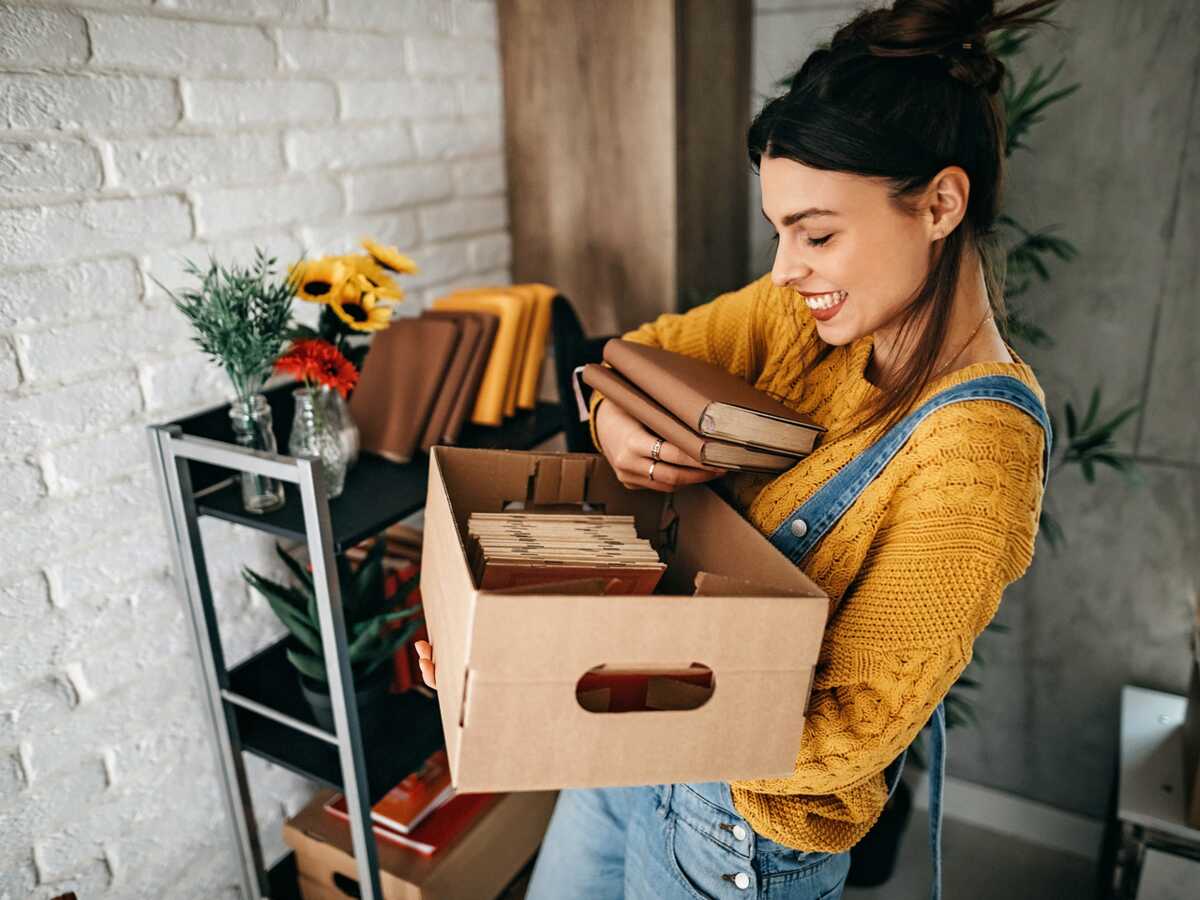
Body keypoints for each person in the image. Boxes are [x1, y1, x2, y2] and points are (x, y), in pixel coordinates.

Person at [415, 0, 1062, 896]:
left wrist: (542, 686)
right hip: (626, 753)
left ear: (942, 203)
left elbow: (849, 728)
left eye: (817, 232)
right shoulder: (801, 320)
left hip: (741, 835)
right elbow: (638, 356)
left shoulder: (979, 450)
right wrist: (616, 426)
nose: (786, 267)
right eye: (779, 230)